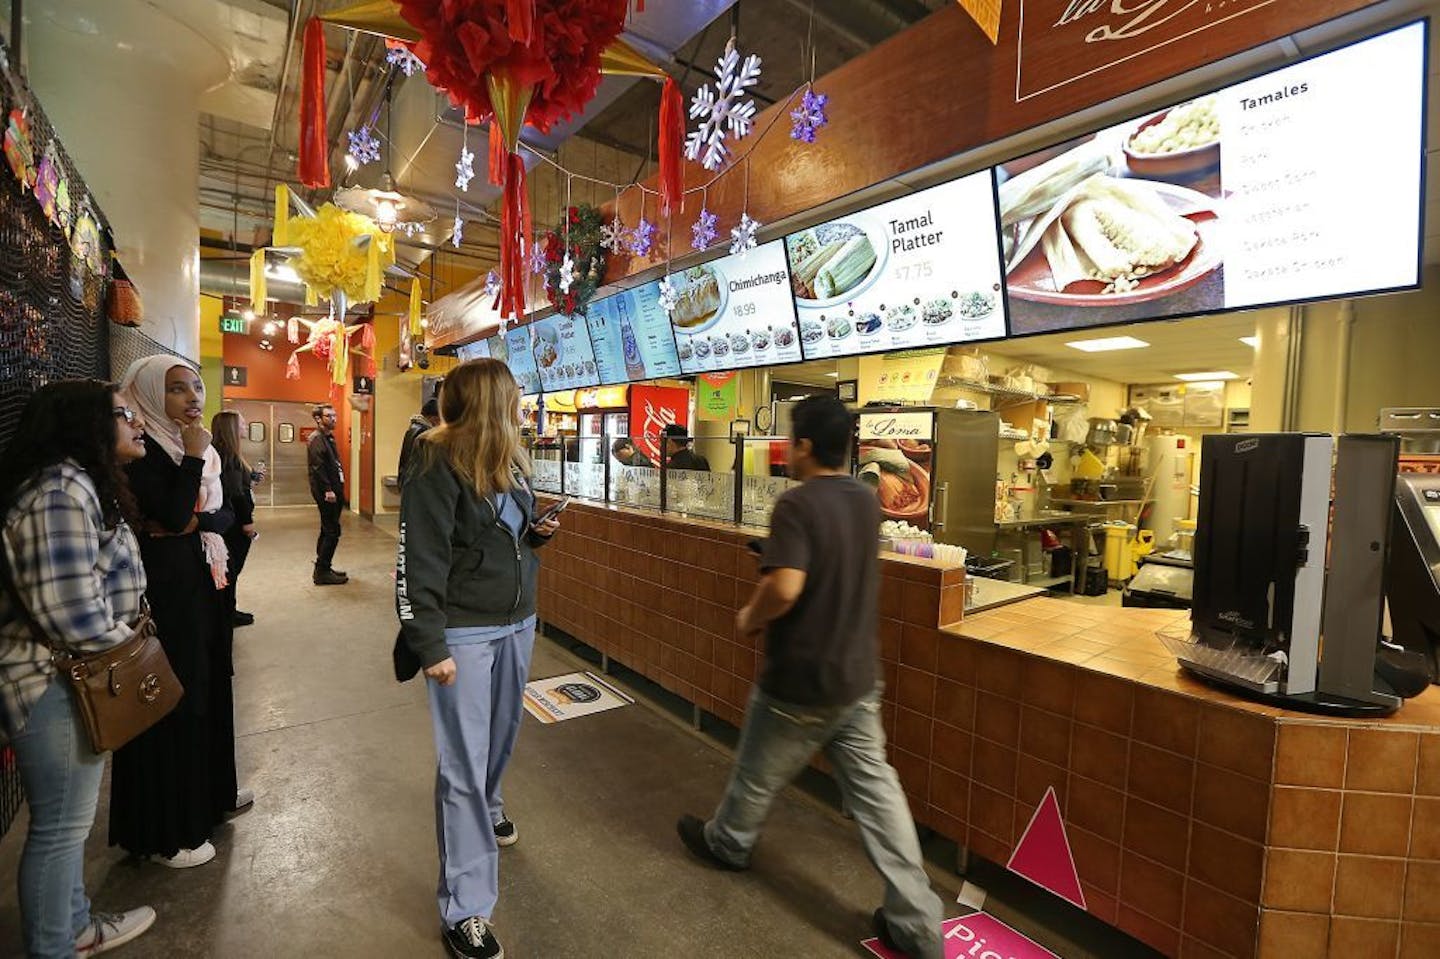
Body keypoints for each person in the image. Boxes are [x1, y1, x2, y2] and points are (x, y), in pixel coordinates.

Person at [675, 396, 944, 959]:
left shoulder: (796, 505)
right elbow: (831, 562)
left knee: (755, 773)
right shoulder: (865, 501)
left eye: (790, 443)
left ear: (802, 447)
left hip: (801, 678)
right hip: (857, 676)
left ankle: (728, 842)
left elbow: (787, 587)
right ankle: (917, 923)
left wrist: (751, 614)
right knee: (878, 797)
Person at [394, 358, 560, 959]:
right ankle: (465, 908)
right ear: (493, 400)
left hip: (517, 621)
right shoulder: (435, 462)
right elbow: (419, 560)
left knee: (502, 739)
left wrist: (533, 535)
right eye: (513, 395)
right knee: (462, 766)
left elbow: (500, 536)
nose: (521, 405)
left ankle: (489, 809)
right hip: (462, 633)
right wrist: (429, 643)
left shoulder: (509, 463)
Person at [0, 380, 158, 957]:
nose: (137, 424)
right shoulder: (60, 492)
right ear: (85, 423)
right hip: (55, 683)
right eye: (124, 415)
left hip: (71, 678)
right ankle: (54, 945)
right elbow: (73, 615)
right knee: (61, 830)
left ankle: (74, 926)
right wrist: (139, 652)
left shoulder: (74, 484)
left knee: (67, 825)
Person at [109, 356, 248, 870]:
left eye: (195, 386)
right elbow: (170, 514)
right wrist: (191, 469)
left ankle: (210, 798)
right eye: (175, 390)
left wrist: (193, 515)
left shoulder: (191, 450)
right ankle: (170, 830)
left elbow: (225, 512)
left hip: (201, 583)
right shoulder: (143, 451)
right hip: (167, 591)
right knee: (173, 695)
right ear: (147, 395)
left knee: (208, 685)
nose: (192, 398)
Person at [211, 410, 262, 626]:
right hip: (234, 525)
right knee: (231, 571)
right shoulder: (228, 457)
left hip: (229, 523)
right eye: (241, 423)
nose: (245, 426)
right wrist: (247, 523)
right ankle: (227, 614)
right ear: (231, 428)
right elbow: (237, 494)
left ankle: (228, 611)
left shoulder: (225, 454)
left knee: (230, 571)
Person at [307, 403, 347, 585]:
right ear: (318, 419)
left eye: (335, 415)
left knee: (328, 529)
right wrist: (328, 490)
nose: (334, 419)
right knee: (332, 531)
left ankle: (324, 565)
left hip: (334, 490)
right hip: (327, 493)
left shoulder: (328, 438)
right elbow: (318, 467)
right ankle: (321, 572)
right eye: (329, 416)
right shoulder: (316, 439)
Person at [399, 396, 441, 487]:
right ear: (434, 419)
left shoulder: (413, 429)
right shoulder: (424, 433)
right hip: (415, 484)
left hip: (407, 481)